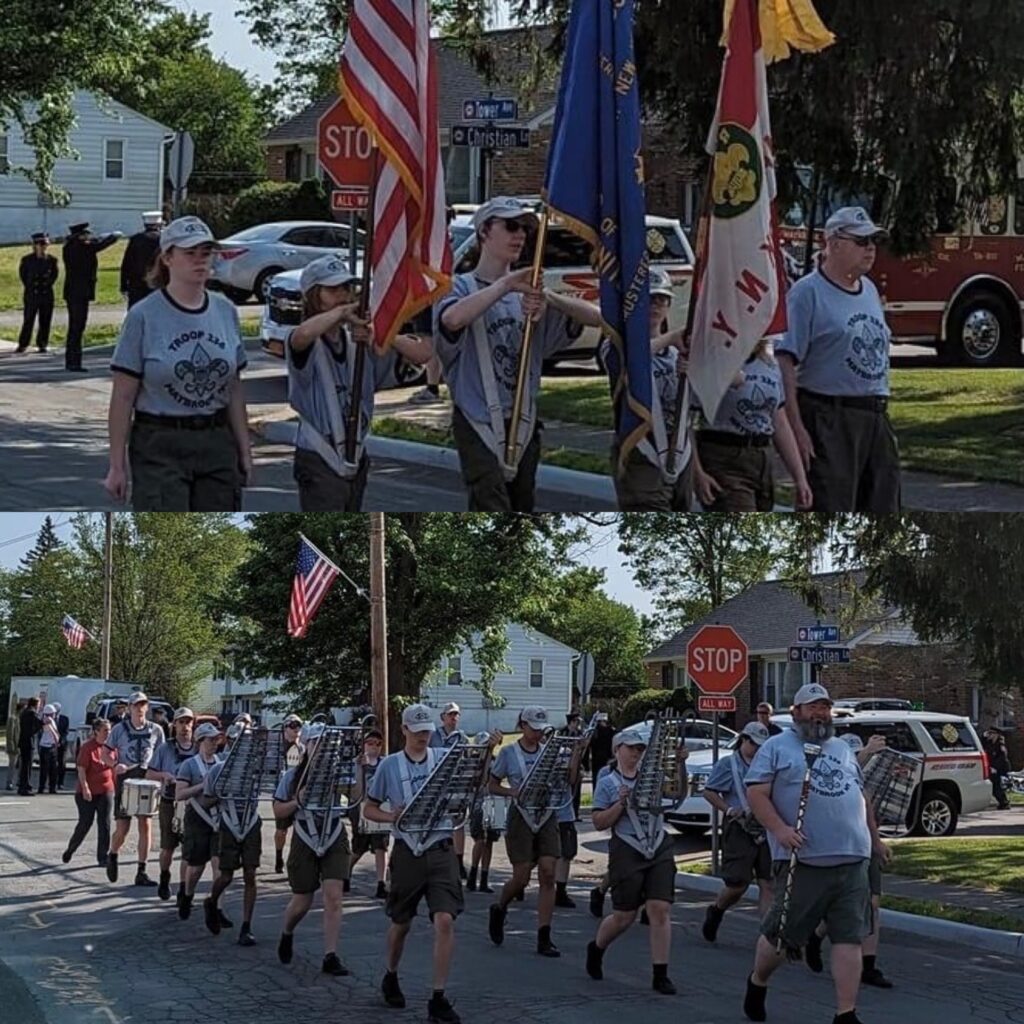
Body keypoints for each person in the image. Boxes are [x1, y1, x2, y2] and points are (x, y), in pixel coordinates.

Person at [434, 196, 602, 511]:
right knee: (490, 504)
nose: (520, 235)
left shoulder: (531, 292)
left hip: (523, 421)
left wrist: (548, 298)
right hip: (478, 420)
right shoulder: (459, 287)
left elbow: (597, 318)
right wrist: (507, 283)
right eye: (511, 226)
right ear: (484, 231)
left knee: (523, 506)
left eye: (525, 228)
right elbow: (452, 320)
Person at [741, 683, 890, 1024]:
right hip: (803, 861)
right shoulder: (778, 747)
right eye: (812, 707)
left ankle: (846, 1013)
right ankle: (758, 980)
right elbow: (757, 793)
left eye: (824, 707)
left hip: (853, 860)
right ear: (796, 712)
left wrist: (874, 839)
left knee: (849, 937)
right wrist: (780, 830)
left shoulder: (841, 748)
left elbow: (860, 796)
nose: (820, 713)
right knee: (780, 937)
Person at [105, 216, 252, 511]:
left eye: (205, 253)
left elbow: (234, 389)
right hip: (160, 442)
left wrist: (245, 452)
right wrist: (116, 465)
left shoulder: (225, 310)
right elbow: (122, 396)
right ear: (167, 258)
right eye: (189, 253)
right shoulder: (144, 316)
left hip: (215, 438)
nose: (199, 261)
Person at [776, 206, 900, 513]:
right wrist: (797, 429)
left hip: (874, 415)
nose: (870, 248)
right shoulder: (807, 293)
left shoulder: (869, 290)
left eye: (873, 241)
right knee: (831, 506)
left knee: (883, 508)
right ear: (833, 243)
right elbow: (785, 361)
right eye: (861, 241)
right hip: (828, 416)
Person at [286, 255, 433, 511]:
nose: (343, 296)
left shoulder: (359, 342)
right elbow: (302, 336)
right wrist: (343, 312)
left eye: (346, 288)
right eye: (332, 290)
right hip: (319, 452)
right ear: (312, 296)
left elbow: (423, 354)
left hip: (356, 451)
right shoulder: (307, 343)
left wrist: (381, 333)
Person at [362, 704, 465, 1023]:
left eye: (427, 732)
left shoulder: (442, 759)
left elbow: (462, 795)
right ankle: (391, 974)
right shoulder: (390, 766)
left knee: (445, 920)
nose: (423, 737)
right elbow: (369, 808)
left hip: (439, 846)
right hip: (408, 849)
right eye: (417, 731)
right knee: (401, 922)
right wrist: (392, 816)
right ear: (404, 730)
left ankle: (438, 996)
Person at [587, 728, 678, 995]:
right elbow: (598, 821)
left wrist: (680, 764)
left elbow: (677, 794)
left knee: (659, 908)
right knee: (624, 916)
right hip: (627, 846)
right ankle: (597, 948)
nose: (635, 754)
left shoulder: (654, 777)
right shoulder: (607, 782)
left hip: (658, 843)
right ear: (617, 751)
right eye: (630, 748)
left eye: (640, 749)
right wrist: (619, 805)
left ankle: (660, 974)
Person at [805, 733, 894, 989]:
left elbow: (870, 813)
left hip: (865, 845)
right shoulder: (832, 779)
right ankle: (816, 935)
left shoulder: (868, 779)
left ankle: (868, 965)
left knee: (872, 903)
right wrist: (865, 750)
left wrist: (877, 843)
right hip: (839, 849)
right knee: (845, 905)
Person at [599, 268, 692, 511]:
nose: (655, 306)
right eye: (649, 299)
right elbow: (632, 359)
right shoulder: (616, 344)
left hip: (679, 454)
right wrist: (671, 337)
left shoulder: (675, 355)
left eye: (662, 300)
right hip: (641, 450)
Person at [488, 705, 575, 958]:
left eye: (540, 730)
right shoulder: (509, 753)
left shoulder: (550, 753)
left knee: (548, 873)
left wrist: (576, 755)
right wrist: (511, 791)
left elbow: (568, 779)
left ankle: (544, 936)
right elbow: (492, 785)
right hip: (521, 815)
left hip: (546, 812)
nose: (537, 734)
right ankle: (500, 906)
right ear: (522, 726)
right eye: (532, 728)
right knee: (522, 877)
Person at [692, 338, 812, 511]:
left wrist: (799, 478)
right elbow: (686, 421)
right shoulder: (712, 364)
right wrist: (697, 472)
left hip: (762, 458)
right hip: (724, 456)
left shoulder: (770, 365)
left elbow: (779, 422)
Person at [273, 722, 352, 976]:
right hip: (305, 836)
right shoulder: (292, 776)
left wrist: (359, 770)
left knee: (334, 895)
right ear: (306, 745)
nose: (321, 748)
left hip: (333, 833)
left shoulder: (338, 772)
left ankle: (331, 955)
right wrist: (298, 799)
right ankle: (287, 931)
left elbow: (359, 795)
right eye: (315, 742)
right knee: (303, 901)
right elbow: (278, 810)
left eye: (325, 743)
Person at [700, 721, 774, 942]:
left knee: (768, 882)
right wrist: (729, 809)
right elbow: (709, 792)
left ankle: (767, 935)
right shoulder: (728, 764)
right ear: (743, 739)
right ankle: (717, 909)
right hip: (739, 827)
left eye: (762, 745)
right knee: (737, 884)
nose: (757, 748)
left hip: (766, 825)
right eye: (753, 743)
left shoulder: (769, 764)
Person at [201, 725, 262, 947]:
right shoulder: (219, 770)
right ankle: (211, 901)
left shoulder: (256, 767)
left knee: (250, 874)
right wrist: (220, 793)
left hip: (250, 822)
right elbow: (206, 800)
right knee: (226, 875)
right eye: (236, 742)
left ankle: (246, 926)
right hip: (229, 823)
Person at [104, 691, 165, 886]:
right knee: (123, 828)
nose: (140, 709)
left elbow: (162, 756)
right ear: (129, 707)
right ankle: (113, 854)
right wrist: (115, 765)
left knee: (145, 825)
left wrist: (162, 777)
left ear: (147, 707)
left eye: (143, 705)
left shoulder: (156, 730)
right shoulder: (119, 729)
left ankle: (142, 870)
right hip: (126, 779)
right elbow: (105, 753)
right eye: (136, 705)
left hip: (147, 780)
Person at [174, 722, 224, 922]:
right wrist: (202, 786)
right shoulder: (190, 765)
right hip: (197, 818)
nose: (214, 744)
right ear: (200, 741)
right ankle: (187, 895)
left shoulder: (221, 762)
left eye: (216, 740)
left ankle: (218, 909)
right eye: (210, 740)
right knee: (195, 868)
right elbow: (179, 794)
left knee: (220, 867)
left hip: (219, 818)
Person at [146, 708, 197, 901]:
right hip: (169, 801)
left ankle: (183, 889)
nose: (185, 727)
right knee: (168, 846)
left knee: (188, 849)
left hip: (192, 804)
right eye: (181, 722)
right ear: (174, 724)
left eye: (188, 722)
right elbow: (149, 773)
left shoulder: (198, 748)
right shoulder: (165, 748)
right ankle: (164, 877)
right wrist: (164, 775)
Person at [61, 221, 122, 372]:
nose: (88, 237)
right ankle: (74, 362)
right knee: (77, 326)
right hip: (79, 292)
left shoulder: (70, 246)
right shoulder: (81, 248)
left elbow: (94, 243)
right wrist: (113, 237)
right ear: (80, 236)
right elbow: (99, 244)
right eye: (86, 235)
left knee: (75, 327)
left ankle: (72, 360)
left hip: (73, 292)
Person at [62, 718, 116, 867]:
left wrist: (118, 788)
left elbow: (114, 768)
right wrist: (85, 787)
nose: (108, 733)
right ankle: (70, 849)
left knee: (104, 823)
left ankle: (102, 857)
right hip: (87, 792)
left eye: (110, 730)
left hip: (106, 790)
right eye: (105, 730)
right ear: (96, 731)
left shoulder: (111, 748)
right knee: (85, 823)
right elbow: (81, 769)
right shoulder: (88, 748)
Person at [348, 727, 390, 899]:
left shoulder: (385, 763)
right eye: (370, 743)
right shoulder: (356, 763)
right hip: (360, 808)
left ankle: (381, 882)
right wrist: (360, 768)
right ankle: (346, 872)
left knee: (382, 846)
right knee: (359, 847)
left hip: (381, 809)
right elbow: (354, 791)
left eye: (378, 744)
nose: (374, 746)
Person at [429, 702, 470, 878]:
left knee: (457, 822)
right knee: (433, 820)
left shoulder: (462, 738)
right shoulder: (433, 736)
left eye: (456, 715)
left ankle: (459, 861)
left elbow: (469, 760)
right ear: (443, 717)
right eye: (451, 714)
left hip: (456, 784)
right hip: (437, 784)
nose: (454, 718)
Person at [16, 232, 59, 353]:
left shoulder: (52, 260)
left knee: (45, 320)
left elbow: (54, 275)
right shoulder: (27, 260)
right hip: (32, 294)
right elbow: (23, 276)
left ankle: (42, 343)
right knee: (28, 319)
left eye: (44, 244)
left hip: (46, 294)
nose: (42, 247)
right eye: (40, 244)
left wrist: (47, 284)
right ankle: (23, 343)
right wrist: (30, 287)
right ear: (34, 245)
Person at [273, 714, 304, 874]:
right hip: (282, 793)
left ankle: (295, 858)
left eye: (299, 725)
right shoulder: (278, 748)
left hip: (299, 792)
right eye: (293, 726)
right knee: (281, 830)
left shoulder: (304, 749)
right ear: (285, 728)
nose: (296, 729)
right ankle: (278, 855)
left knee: (300, 826)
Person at [120, 211, 163, 307]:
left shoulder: (136, 239)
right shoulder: (164, 239)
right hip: (159, 281)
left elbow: (127, 263)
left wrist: (123, 284)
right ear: (159, 224)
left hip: (137, 282)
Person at [17, 697, 42, 795]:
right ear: (35, 704)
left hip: (23, 741)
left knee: (24, 765)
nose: (39, 706)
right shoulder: (32, 713)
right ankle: (25, 787)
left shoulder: (24, 712)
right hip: (28, 742)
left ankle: (23, 785)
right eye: (39, 704)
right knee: (27, 766)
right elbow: (38, 724)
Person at [983, 727, 1012, 810]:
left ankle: (1004, 803)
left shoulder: (1000, 744)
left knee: (997, 786)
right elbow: (982, 745)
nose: (989, 735)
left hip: (1000, 768)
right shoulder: (989, 742)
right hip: (992, 768)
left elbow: (1002, 757)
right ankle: (1003, 802)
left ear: (996, 734)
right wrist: (984, 737)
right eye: (989, 733)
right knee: (995, 786)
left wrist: (995, 767)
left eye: (991, 733)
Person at [37, 704, 61, 794]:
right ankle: (43, 787)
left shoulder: (51, 721)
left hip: (51, 746)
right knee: (46, 768)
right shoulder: (47, 720)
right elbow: (53, 732)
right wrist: (57, 740)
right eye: (53, 713)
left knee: (52, 769)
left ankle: (50, 787)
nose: (55, 714)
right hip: (46, 747)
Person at [6, 699, 24, 791]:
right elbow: (10, 733)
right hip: (13, 746)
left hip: (20, 746)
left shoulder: (20, 719)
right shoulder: (12, 719)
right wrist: (12, 746)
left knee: (21, 765)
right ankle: (9, 782)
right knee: (12, 765)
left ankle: (19, 781)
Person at [54, 702, 71, 790]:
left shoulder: (64, 719)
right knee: (52, 763)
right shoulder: (49, 719)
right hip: (52, 745)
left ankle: (61, 782)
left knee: (62, 763)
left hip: (62, 744)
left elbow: (65, 732)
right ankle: (52, 782)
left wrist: (60, 741)